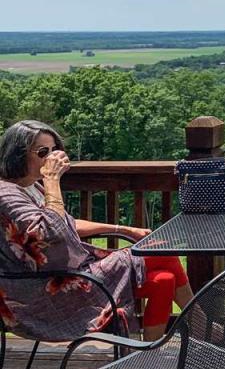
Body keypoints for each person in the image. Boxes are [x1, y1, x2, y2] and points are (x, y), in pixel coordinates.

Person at [0, 120, 193, 341]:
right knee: (163, 254)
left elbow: (67, 223)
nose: (51, 158)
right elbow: (51, 233)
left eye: (55, 150)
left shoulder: (31, 186)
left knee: (163, 279)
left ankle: (148, 354)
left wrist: (125, 229)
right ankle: (201, 325)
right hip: (44, 290)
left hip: (69, 272)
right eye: (43, 152)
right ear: (17, 154)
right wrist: (52, 179)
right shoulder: (6, 193)